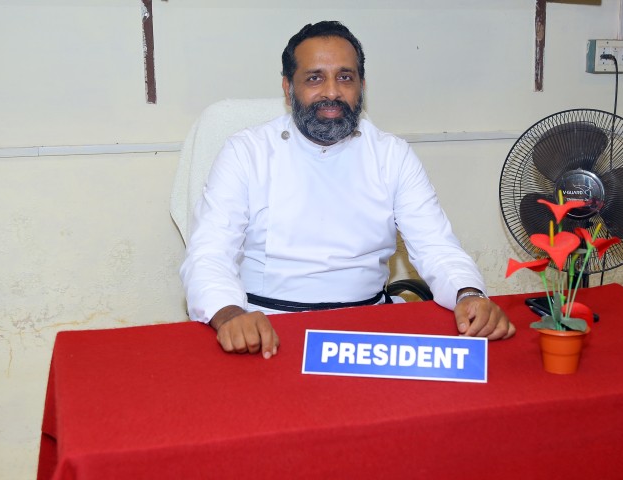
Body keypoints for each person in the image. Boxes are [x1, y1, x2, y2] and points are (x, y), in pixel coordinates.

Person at [181, 21, 515, 358]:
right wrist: (229, 315)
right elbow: (210, 253)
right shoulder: (246, 152)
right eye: (314, 78)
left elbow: (436, 247)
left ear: (362, 85)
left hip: (369, 330)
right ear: (288, 88)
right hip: (269, 328)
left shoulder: (391, 154)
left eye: (345, 77)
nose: (332, 92)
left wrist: (469, 294)